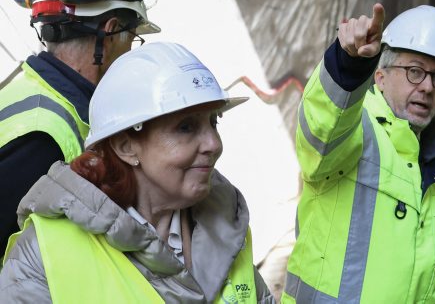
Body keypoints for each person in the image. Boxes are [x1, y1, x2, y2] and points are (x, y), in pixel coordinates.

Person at [0, 42, 273, 302]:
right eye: (186, 127)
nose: (214, 144)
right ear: (126, 146)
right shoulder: (44, 256)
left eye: (214, 122)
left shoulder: (226, 223)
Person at [284, 4, 435, 303]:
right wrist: (348, 65)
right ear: (380, 77)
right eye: (414, 71)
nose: (427, 87)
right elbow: (323, 129)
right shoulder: (355, 130)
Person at [0, 0, 159, 249]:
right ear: (110, 33)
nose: (130, 54)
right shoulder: (44, 134)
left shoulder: (28, 92)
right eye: (132, 39)